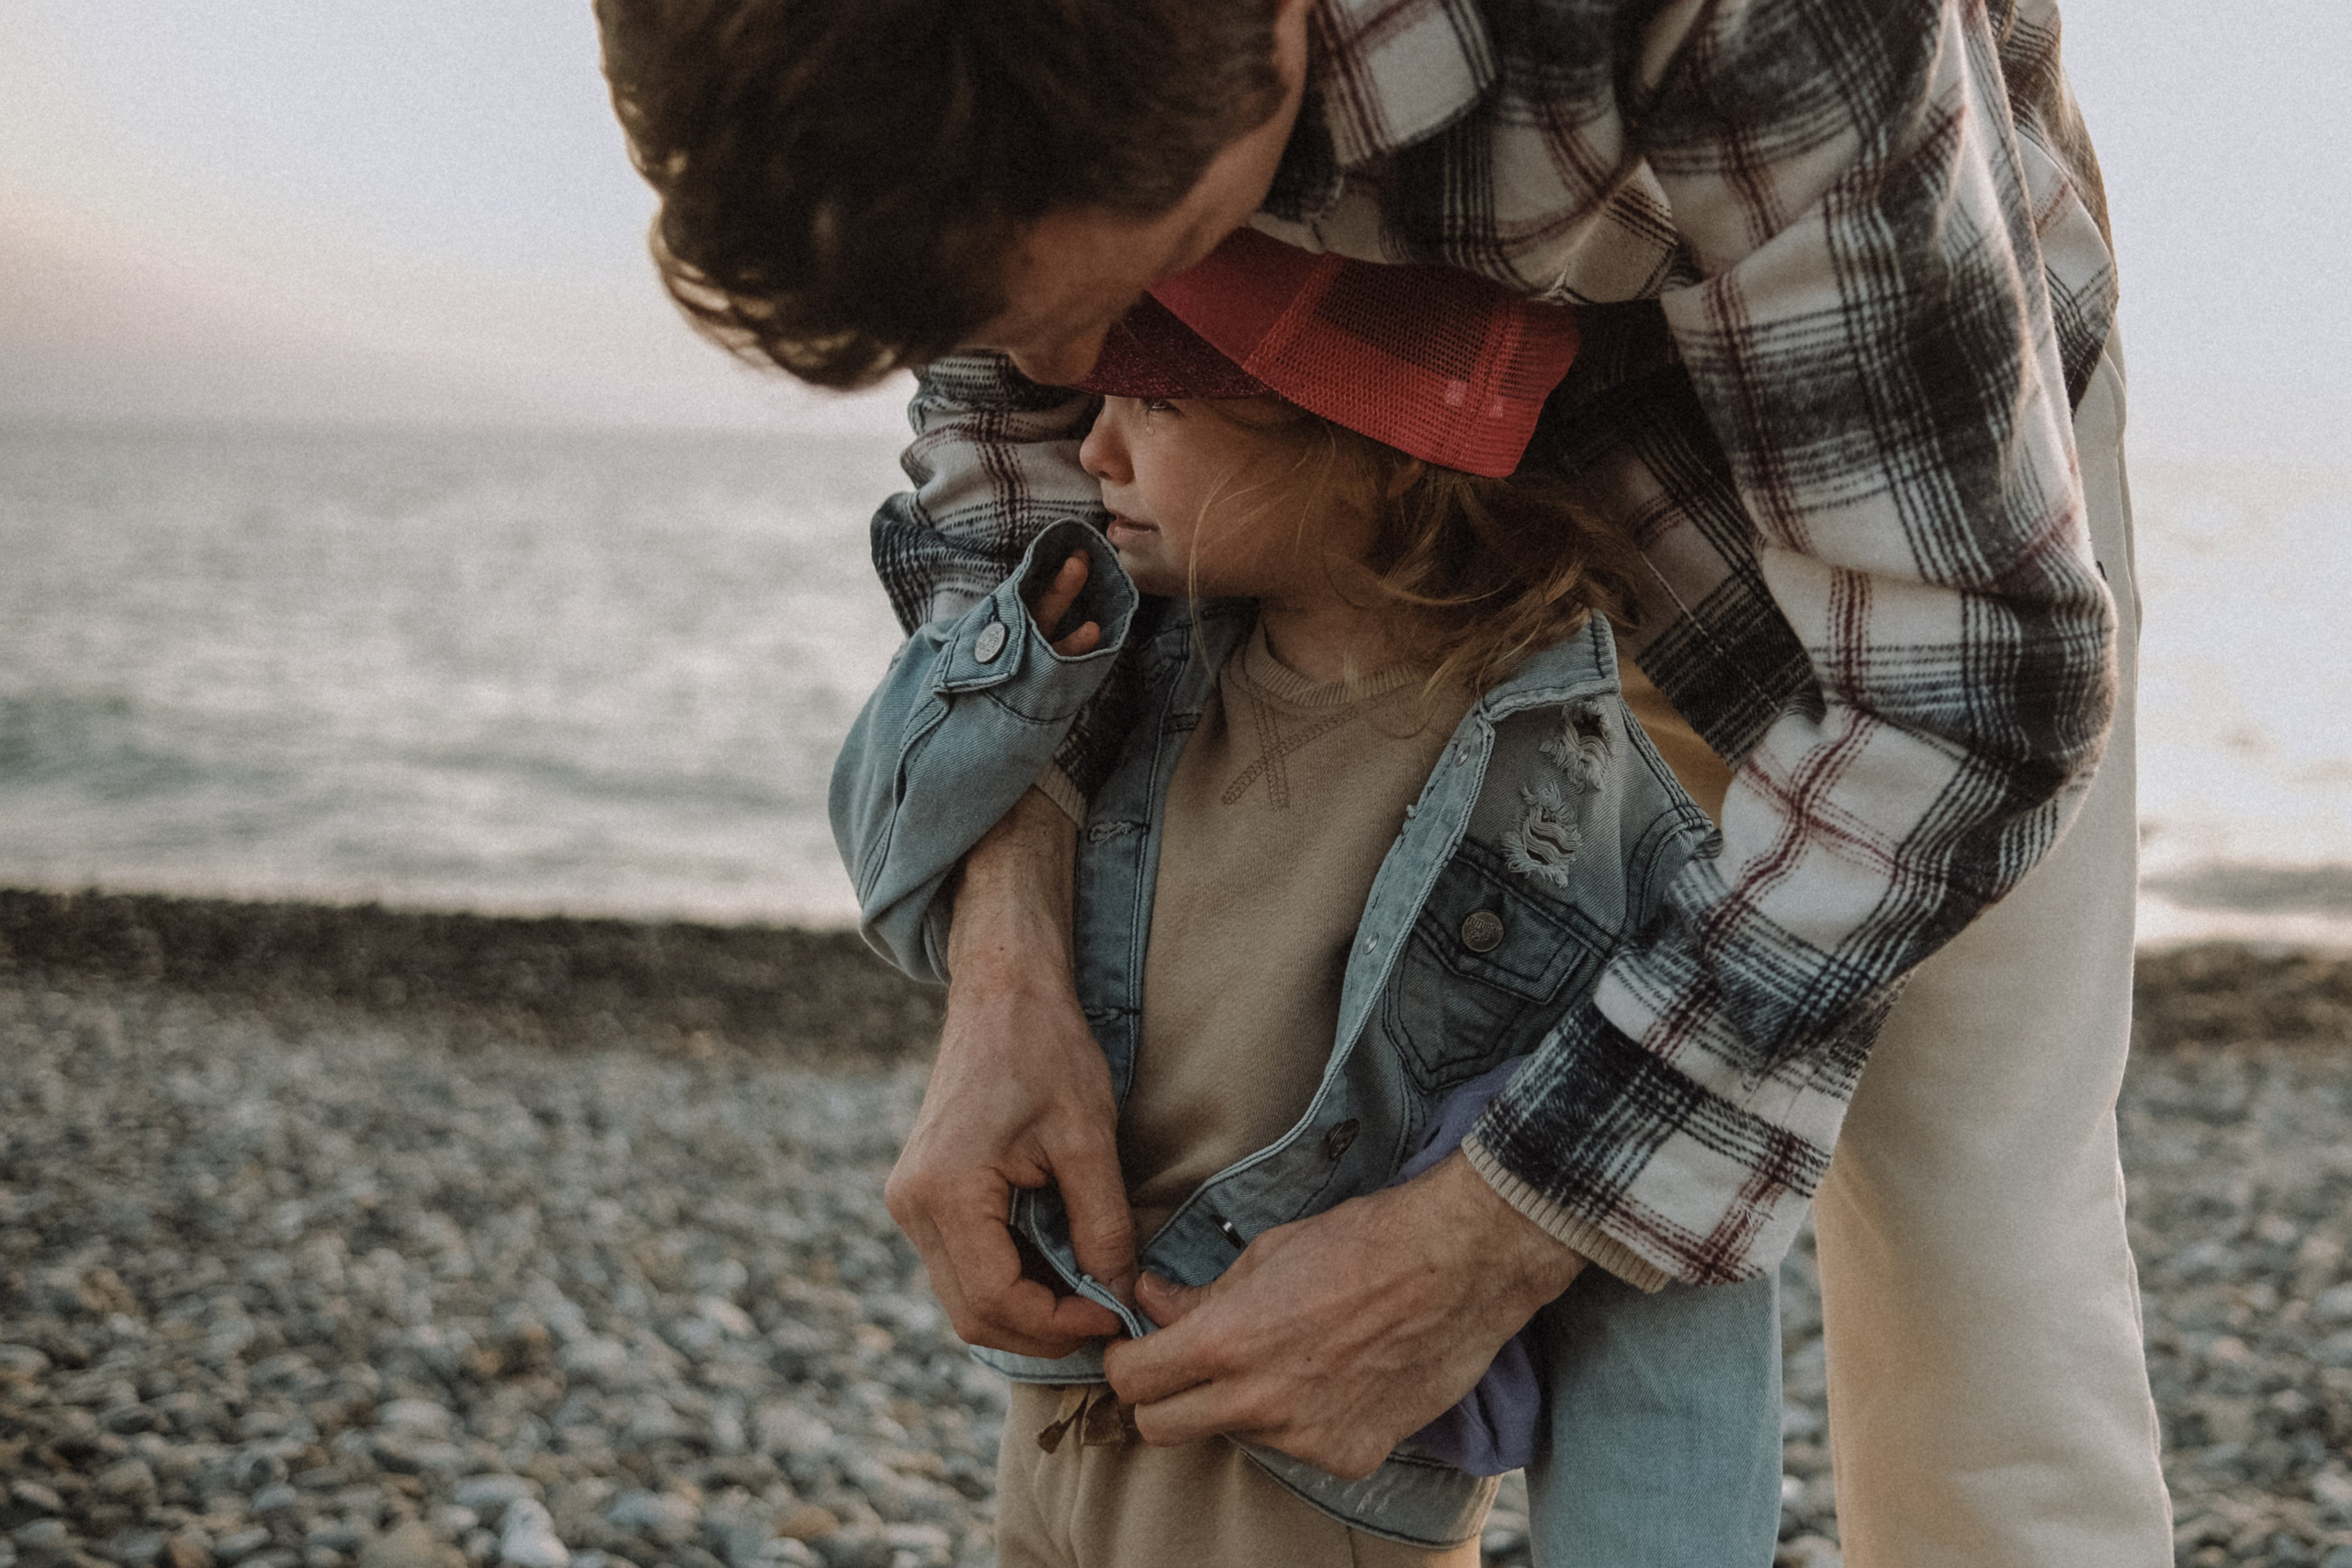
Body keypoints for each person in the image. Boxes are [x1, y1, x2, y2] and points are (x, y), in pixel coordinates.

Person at [598, 0, 2171, 1560]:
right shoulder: (979, 87)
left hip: (1904, 485)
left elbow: (1971, 684)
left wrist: (1500, 1234)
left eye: (1145, 296)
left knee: (1974, 1233)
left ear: (1264, 49)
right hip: (1356, 521)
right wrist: (1005, 958)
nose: (1086, 386)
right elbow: (1008, 467)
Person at [831, 231, 1783, 1566]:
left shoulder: (1574, 809)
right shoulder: (1116, 667)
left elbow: (1666, 1279)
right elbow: (894, 861)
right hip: (1054, 1445)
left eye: (1155, 405)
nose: (1093, 453)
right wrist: (1019, 676)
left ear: (1372, 448)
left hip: (1314, 1501)